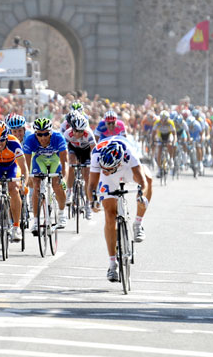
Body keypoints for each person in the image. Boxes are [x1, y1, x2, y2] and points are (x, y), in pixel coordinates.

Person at [87, 137, 152, 282]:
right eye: (104, 169)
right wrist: (92, 201)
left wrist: (141, 195)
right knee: (110, 216)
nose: (106, 171)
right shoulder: (97, 155)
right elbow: (91, 185)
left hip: (127, 169)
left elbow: (142, 181)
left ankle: (138, 223)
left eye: (109, 169)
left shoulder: (130, 154)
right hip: (109, 178)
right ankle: (112, 264)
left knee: (148, 179)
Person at [23, 117, 68, 233]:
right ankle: (36, 221)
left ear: (51, 132)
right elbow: (26, 162)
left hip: (55, 159)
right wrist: (27, 177)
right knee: (36, 186)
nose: (43, 137)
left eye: (46, 134)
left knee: (57, 185)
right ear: (35, 133)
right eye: (39, 134)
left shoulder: (58, 138)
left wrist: (64, 174)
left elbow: (64, 159)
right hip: (40, 160)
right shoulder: (30, 140)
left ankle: (62, 214)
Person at [63, 113, 96, 218]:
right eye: (75, 131)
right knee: (71, 163)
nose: (77, 134)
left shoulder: (89, 134)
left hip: (86, 151)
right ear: (72, 128)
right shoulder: (67, 134)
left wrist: (94, 165)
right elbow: (63, 150)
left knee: (87, 175)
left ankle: (88, 204)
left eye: (80, 131)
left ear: (84, 130)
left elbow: (94, 151)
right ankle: (69, 191)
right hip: (73, 149)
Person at [152, 110, 177, 177]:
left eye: (165, 120)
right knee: (159, 149)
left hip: (169, 134)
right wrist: (152, 141)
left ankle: (171, 159)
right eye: (161, 120)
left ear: (167, 119)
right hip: (160, 135)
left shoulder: (170, 122)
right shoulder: (157, 122)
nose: (163, 122)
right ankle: (159, 169)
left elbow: (174, 134)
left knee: (169, 144)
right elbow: (153, 133)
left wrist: (174, 142)